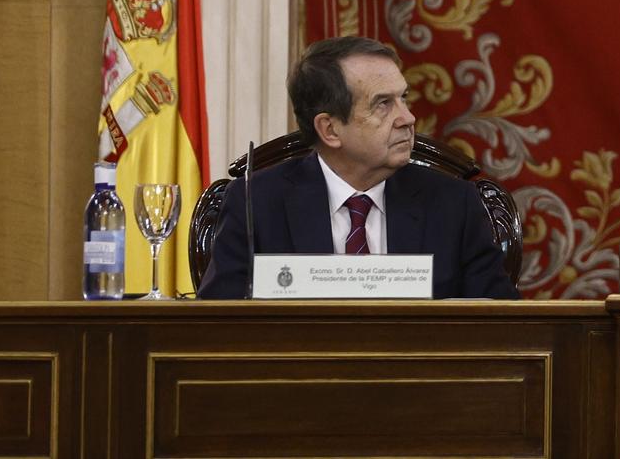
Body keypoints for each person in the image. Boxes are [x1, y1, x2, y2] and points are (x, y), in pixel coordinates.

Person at [197, 36, 518, 299]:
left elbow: (501, 327)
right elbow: (217, 328)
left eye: (403, 98)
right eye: (383, 104)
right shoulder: (257, 203)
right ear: (330, 130)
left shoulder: (452, 204)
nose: (407, 118)